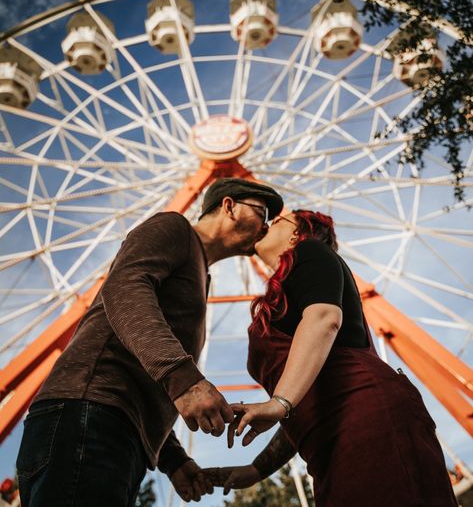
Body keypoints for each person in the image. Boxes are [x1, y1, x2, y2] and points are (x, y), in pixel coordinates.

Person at [15, 177, 284, 507]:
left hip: (117, 429)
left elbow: (144, 373)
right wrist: (184, 380)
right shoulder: (173, 227)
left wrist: (173, 459)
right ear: (228, 206)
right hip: (90, 413)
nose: (266, 227)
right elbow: (124, 288)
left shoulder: (201, 274)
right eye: (262, 213)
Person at [204, 210, 458, 507]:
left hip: (368, 418)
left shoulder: (310, 251)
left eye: (276, 222)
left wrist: (279, 402)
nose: (266, 225)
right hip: (329, 442)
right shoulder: (289, 286)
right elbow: (303, 399)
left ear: (297, 233)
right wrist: (256, 469)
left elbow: (324, 319)